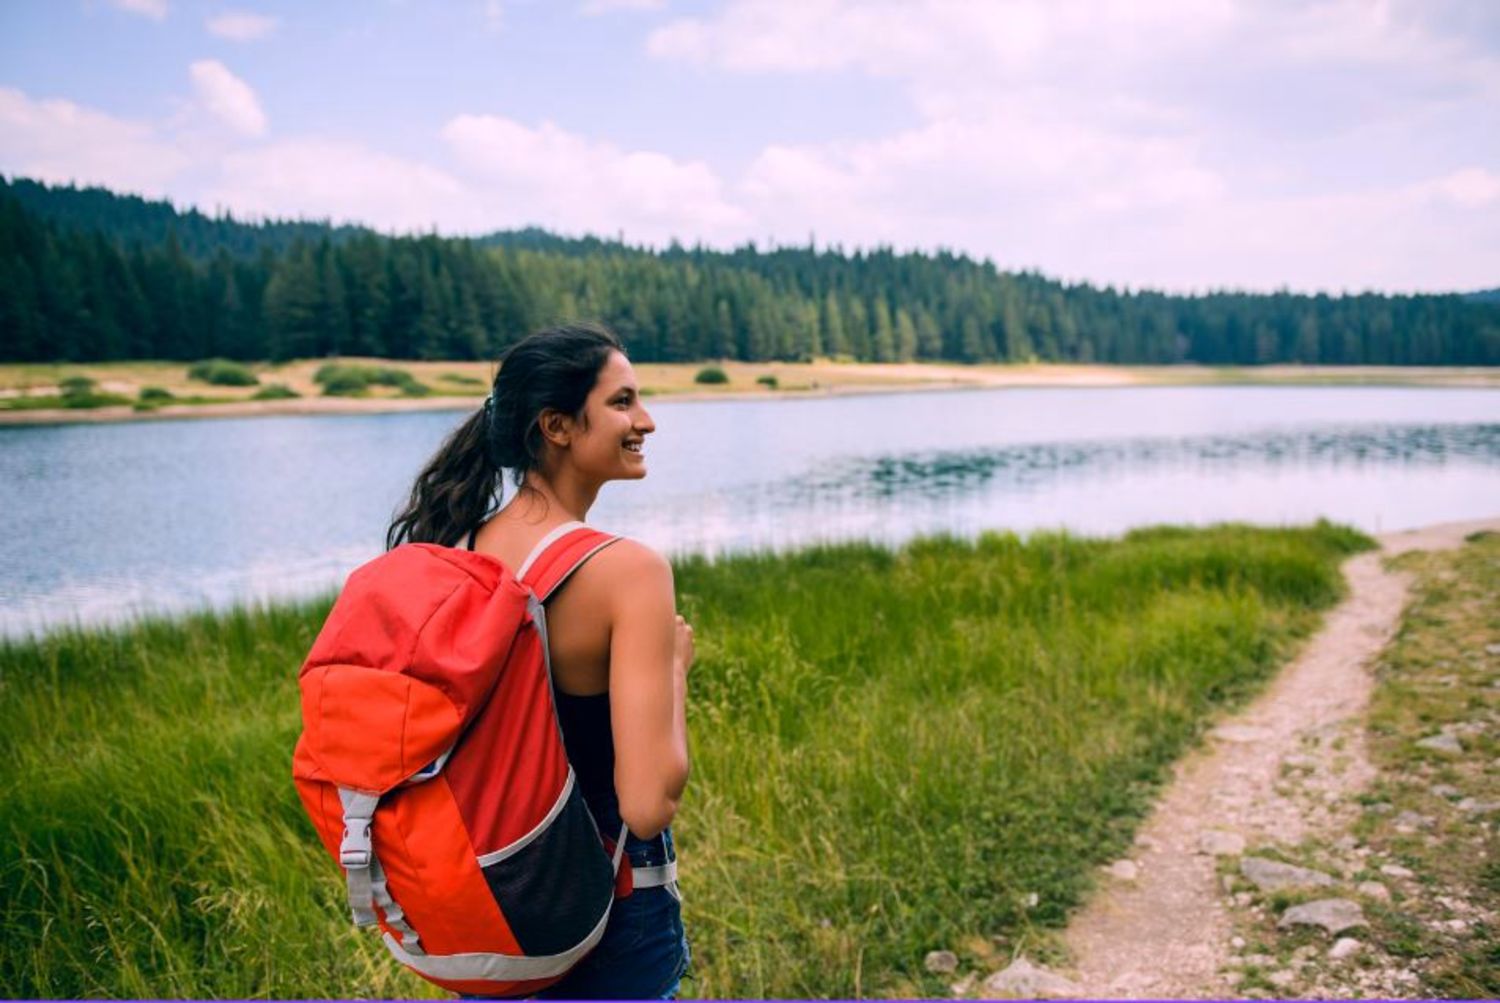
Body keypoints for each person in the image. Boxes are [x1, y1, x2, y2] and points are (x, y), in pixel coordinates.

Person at [386, 323, 694, 1000]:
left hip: (490, 902)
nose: (646, 420)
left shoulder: (455, 549)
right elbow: (646, 805)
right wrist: (673, 672)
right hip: (604, 911)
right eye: (621, 402)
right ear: (557, 425)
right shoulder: (628, 572)